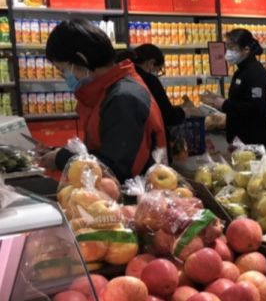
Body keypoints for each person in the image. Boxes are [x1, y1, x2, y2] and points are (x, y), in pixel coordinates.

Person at [39, 19, 167, 182]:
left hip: (130, 194)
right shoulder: (110, 91)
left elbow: (115, 169)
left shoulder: (123, 98)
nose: (64, 77)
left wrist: (62, 159)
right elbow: (107, 151)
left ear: (81, 59)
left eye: (63, 70)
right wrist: (59, 153)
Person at [201, 28, 266, 151]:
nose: (228, 53)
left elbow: (255, 108)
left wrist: (224, 104)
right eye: (227, 48)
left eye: (232, 48)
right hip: (241, 141)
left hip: (255, 143)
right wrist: (218, 100)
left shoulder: (257, 74)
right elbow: (240, 101)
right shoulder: (241, 71)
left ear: (246, 50)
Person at [118, 44, 186, 159]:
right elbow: (167, 116)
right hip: (149, 145)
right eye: (158, 69)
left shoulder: (122, 75)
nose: (157, 73)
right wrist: (183, 111)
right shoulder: (149, 80)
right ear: (151, 63)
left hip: (126, 143)